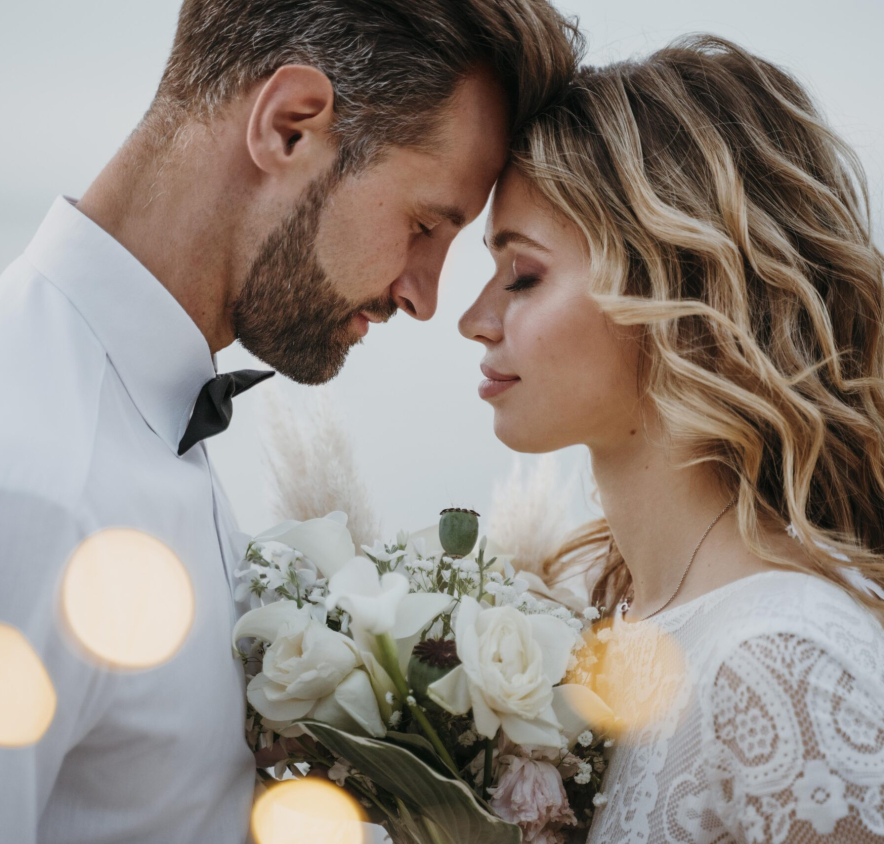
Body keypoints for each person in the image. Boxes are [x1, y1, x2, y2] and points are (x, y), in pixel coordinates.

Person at [0, 1, 581, 842]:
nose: (423, 297)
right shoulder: (36, 483)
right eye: (424, 226)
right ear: (288, 127)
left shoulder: (130, 418)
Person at [460, 35, 884, 843]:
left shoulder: (782, 663)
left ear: (677, 290)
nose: (473, 321)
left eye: (522, 277)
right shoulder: (603, 622)